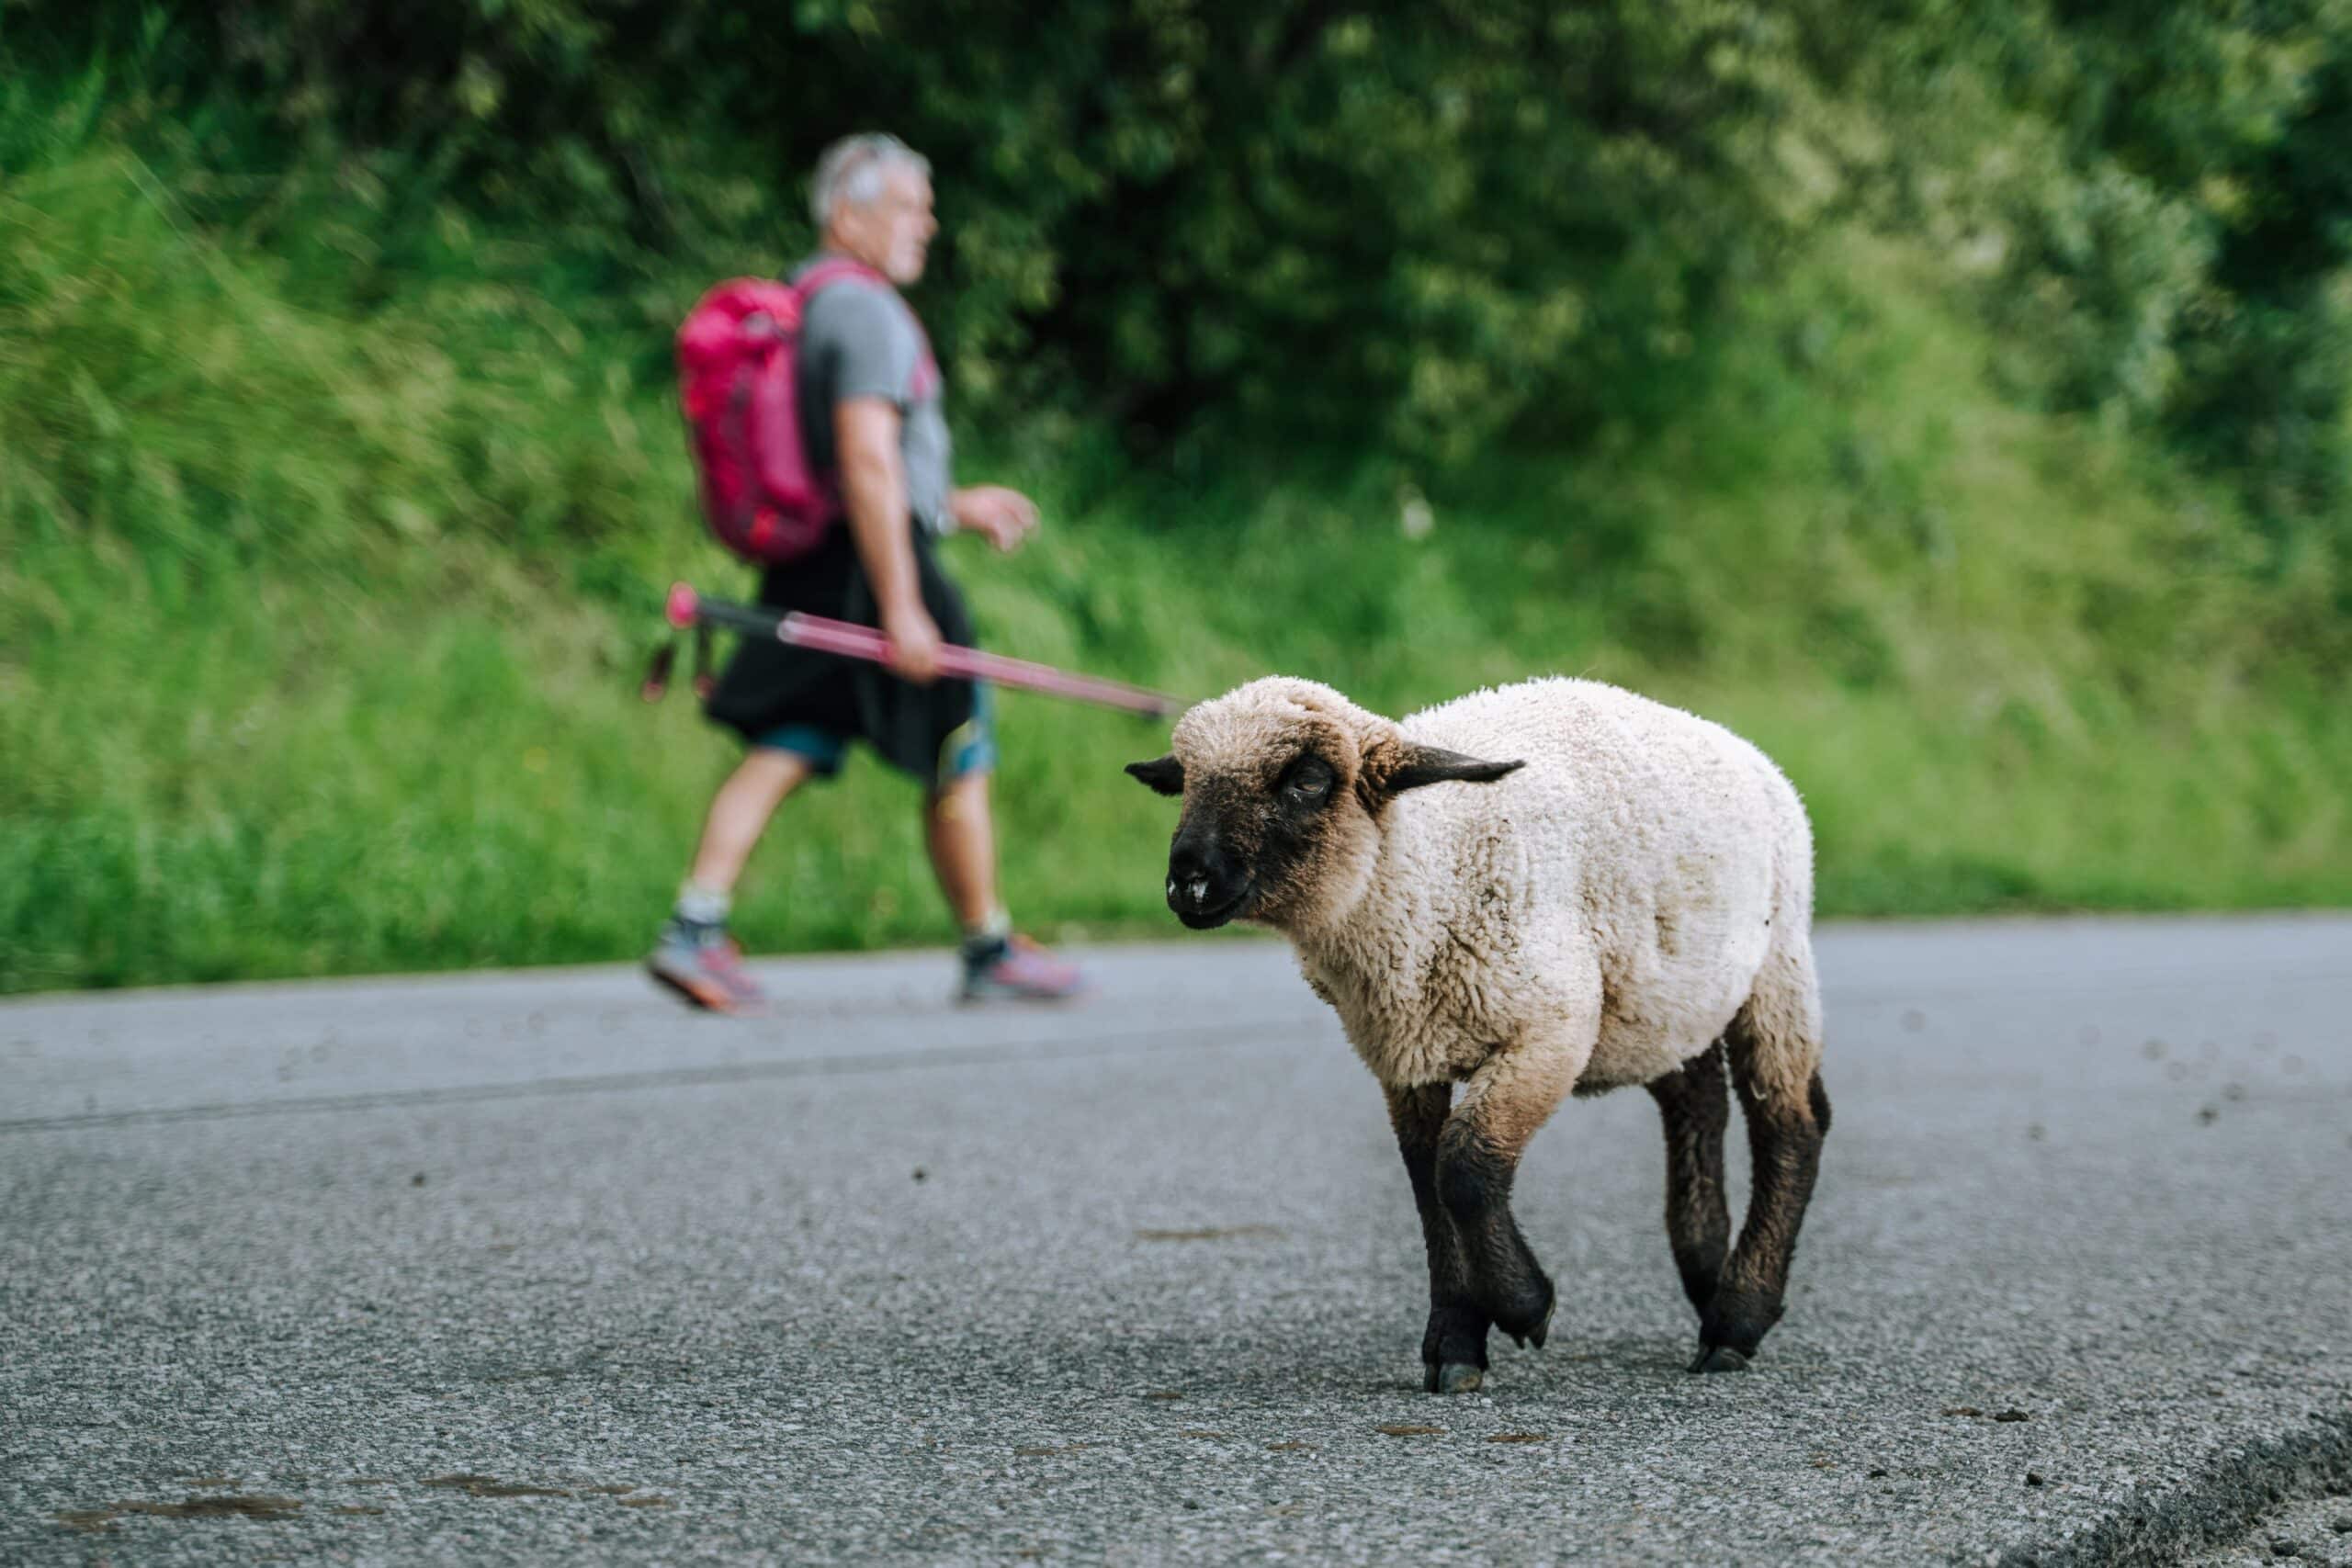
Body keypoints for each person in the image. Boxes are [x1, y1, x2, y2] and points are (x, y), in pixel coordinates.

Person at [649, 133, 1085, 1013]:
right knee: (960, 745)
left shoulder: (809, 303)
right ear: (850, 215)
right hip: (875, 568)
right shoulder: (868, 311)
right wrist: (904, 607)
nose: (927, 224)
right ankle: (989, 946)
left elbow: (851, 465)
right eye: (910, 207)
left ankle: (695, 926)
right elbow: (865, 459)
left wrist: (956, 504)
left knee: (790, 740)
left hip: (817, 563)